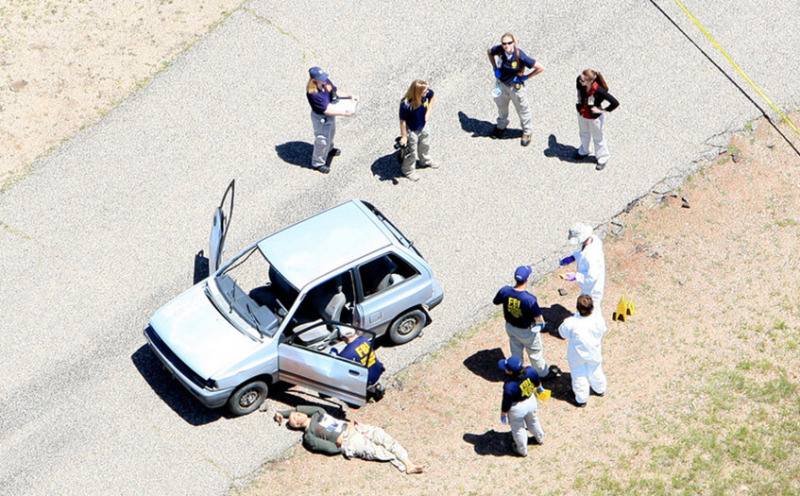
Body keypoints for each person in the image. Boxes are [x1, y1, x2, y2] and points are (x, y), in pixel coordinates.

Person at [273, 405, 424, 474]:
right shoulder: (309, 435)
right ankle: (402, 464)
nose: (298, 414)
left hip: (355, 428)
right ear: (297, 424)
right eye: (295, 417)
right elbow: (324, 447)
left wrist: (283, 413)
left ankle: (408, 463)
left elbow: (306, 408)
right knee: (378, 451)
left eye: (297, 413)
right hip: (349, 441)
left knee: (383, 437)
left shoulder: (318, 413)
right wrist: (340, 447)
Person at [493, 265, 558, 379]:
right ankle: (543, 374)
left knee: (516, 350)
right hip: (526, 331)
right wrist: (542, 325)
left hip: (511, 327)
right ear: (527, 279)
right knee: (535, 353)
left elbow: (496, 301)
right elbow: (538, 318)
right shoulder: (529, 299)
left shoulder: (505, 290)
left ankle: (516, 371)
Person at [487, 33, 544, 147]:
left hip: (515, 88)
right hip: (501, 85)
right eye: (504, 43)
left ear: (514, 43)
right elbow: (489, 51)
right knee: (501, 107)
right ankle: (501, 125)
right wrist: (495, 67)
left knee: (523, 110)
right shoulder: (500, 50)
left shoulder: (520, 56)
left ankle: (527, 132)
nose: (506, 46)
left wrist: (526, 77)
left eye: (509, 43)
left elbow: (540, 67)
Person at [557, 294, 608, 407]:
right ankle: (600, 389)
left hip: (577, 354)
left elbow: (562, 333)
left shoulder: (571, 322)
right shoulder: (598, 320)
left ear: (577, 307)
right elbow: (603, 330)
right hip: (594, 351)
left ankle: (581, 399)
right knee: (595, 369)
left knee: (579, 375)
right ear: (592, 308)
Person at [306, 66, 359, 174]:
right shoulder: (313, 94)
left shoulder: (326, 83)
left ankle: (329, 149)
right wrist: (344, 113)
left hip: (330, 113)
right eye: (321, 78)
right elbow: (325, 110)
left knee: (331, 133)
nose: (324, 79)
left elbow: (334, 91)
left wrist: (350, 95)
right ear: (314, 80)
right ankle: (318, 163)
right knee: (322, 140)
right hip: (321, 118)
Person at [498, 356, 546, 457]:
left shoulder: (509, 386)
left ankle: (522, 450)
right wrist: (541, 390)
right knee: (533, 421)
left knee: (518, 429)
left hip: (517, 408)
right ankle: (540, 438)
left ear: (510, 372)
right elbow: (537, 382)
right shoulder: (530, 370)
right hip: (531, 401)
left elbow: (506, 402)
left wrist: (503, 414)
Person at [574, 69, 619, 171]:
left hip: (594, 118)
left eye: (583, 80)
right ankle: (584, 150)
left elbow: (615, 103)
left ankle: (603, 157)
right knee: (583, 133)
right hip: (582, 113)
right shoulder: (579, 82)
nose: (580, 81)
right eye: (580, 79)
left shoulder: (599, 91)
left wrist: (602, 110)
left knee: (598, 138)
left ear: (591, 81)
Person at [560, 223, 606, 311]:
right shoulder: (594, 239)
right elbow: (582, 253)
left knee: (591, 310)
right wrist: (573, 257)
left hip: (592, 288)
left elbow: (592, 277)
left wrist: (576, 276)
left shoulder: (590, 256)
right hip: (588, 286)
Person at [330, 326, 386, 399]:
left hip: (368, 380)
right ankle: (375, 388)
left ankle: (363, 393)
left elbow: (337, 368)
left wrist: (333, 354)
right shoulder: (364, 339)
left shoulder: (346, 354)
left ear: (341, 337)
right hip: (378, 370)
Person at [398, 80, 438, 182]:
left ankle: (425, 160)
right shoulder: (406, 105)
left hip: (423, 126)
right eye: (424, 91)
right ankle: (408, 171)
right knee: (411, 152)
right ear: (417, 92)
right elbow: (403, 121)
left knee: (425, 144)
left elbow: (432, 96)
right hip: (411, 130)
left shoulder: (426, 94)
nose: (427, 92)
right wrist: (404, 136)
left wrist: (429, 111)